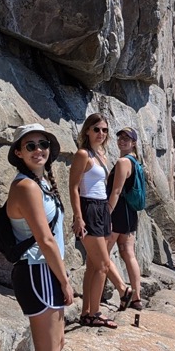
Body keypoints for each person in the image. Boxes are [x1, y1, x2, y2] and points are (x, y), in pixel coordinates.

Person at [4, 123, 74, 351]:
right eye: (29, 145)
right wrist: (65, 280)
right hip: (39, 273)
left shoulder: (40, 184)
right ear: (18, 152)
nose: (38, 150)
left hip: (43, 272)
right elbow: (45, 241)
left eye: (43, 144)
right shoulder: (26, 187)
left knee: (52, 350)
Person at [68, 113, 128, 328]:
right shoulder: (83, 154)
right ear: (87, 131)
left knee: (93, 266)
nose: (101, 133)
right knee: (103, 265)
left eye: (104, 130)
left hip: (101, 208)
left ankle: (86, 312)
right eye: (96, 129)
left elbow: (102, 187)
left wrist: (107, 215)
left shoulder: (101, 154)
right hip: (89, 208)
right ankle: (95, 313)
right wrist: (78, 217)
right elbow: (73, 187)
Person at [107, 127, 143, 311]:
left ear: (134, 143)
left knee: (102, 253)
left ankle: (123, 290)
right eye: (120, 137)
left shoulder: (123, 162)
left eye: (126, 139)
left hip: (118, 212)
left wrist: (107, 213)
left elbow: (116, 191)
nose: (122, 141)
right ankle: (136, 298)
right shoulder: (135, 162)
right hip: (130, 213)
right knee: (128, 254)